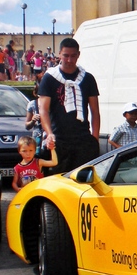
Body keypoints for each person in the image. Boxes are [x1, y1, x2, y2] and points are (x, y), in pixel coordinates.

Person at [38, 37, 101, 175]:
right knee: (56, 183)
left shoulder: (87, 78)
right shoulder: (49, 78)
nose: (69, 60)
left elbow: (95, 111)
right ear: (59, 54)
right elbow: (43, 110)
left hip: (83, 140)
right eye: (66, 56)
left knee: (84, 184)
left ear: (78, 55)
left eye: (73, 56)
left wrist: (95, 138)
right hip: (58, 140)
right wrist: (49, 134)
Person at [25, 83, 45, 156]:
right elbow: (27, 126)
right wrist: (33, 120)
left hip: (48, 139)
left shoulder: (52, 104)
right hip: (38, 138)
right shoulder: (33, 104)